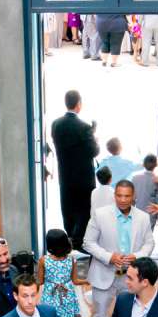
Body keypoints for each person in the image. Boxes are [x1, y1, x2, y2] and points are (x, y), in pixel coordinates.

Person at [83, 179, 155, 317]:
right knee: (100, 316)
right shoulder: (100, 214)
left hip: (130, 276)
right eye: (119, 195)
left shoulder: (143, 218)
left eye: (127, 196)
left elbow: (149, 243)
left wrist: (138, 256)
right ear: (114, 195)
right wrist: (109, 257)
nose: (122, 200)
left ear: (133, 196)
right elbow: (88, 242)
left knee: (129, 314)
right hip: (103, 273)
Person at [51, 87, 98, 244]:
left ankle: (70, 235)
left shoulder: (56, 124)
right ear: (79, 104)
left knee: (67, 208)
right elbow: (94, 151)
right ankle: (78, 240)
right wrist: (94, 135)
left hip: (65, 175)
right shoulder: (84, 127)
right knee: (84, 210)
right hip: (84, 177)